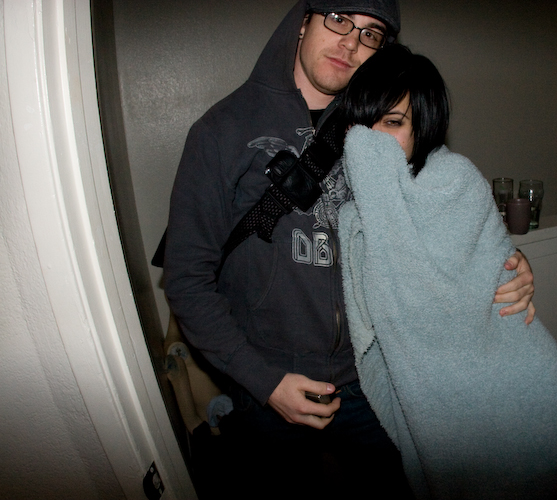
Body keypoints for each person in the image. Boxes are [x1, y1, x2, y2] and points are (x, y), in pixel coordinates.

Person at [163, 1, 535, 496]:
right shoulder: (221, 131)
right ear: (303, 22)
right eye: (339, 18)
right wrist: (264, 381)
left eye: (370, 33)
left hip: (370, 373)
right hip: (267, 381)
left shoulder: (382, 118)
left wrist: (505, 263)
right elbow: (187, 279)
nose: (351, 43)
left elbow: (446, 205)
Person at [338, 44, 557, 499]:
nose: (368, 142)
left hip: (512, 393)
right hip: (423, 408)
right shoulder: (355, 210)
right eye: (359, 126)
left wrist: (517, 264)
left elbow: (431, 300)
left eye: (392, 123)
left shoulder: (455, 180)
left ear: (425, 126)